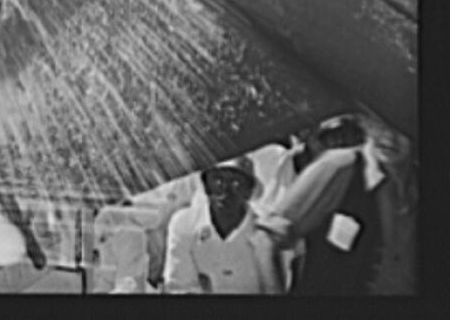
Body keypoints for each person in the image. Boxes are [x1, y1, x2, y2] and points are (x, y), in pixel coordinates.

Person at [254, 112, 415, 295]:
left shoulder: (413, 188)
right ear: (365, 122)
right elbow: (264, 240)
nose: (388, 136)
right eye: (378, 122)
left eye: (402, 126)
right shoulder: (341, 166)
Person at [163, 156, 282, 294]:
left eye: (235, 181)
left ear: (249, 191)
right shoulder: (184, 223)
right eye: (217, 179)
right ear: (206, 187)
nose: (225, 189)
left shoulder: (267, 228)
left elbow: (275, 290)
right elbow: (180, 287)